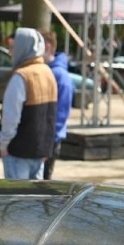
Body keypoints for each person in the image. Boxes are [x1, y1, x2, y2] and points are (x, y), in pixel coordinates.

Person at [0, 28, 58, 181]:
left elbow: (11, 116)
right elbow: (50, 115)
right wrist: (47, 147)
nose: (11, 52)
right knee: (34, 195)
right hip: (40, 150)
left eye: (13, 47)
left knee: (18, 195)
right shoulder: (48, 73)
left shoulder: (21, 76)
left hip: (18, 151)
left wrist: (3, 144)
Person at [44, 30, 75, 180]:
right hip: (42, 139)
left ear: (47, 46)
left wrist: (49, 141)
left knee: (42, 185)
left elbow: (61, 112)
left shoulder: (60, 76)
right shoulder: (47, 71)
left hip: (49, 140)